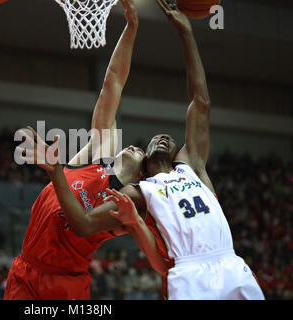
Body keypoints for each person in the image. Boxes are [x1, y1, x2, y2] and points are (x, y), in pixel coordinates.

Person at [104, 0, 265, 300]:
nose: (164, 137)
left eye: (170, 138)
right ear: (140, 166)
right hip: (188, 275)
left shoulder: (193, 169)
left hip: (231, 266)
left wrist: (187, 35)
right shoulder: (140, 192)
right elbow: (93, 224)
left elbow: (200, 102)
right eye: (153, 139)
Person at [4, 0, 162, 300]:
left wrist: (55, 172)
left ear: (141, 173)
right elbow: (112, 83)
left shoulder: (128, 201)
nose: (132, 145)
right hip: (25, 271)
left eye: (140, 150)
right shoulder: (96, 157)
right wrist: (131, 28)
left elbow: (83, 227)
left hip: (66, 284)